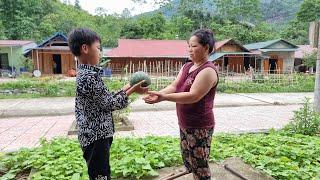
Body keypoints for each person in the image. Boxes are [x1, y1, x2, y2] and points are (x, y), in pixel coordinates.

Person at [68, 28, 147, 180]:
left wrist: (127, 87)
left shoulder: (87, 73)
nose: (100, 53)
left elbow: (104, 98)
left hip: (94, 135)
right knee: (101, 175)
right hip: (96, 137)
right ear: (85, 48)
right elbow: (109, 104)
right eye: (98, 48)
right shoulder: (89, 77)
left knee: (101, 172)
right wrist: (132, 90)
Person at [144, 29, 218, 180]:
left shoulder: (208, 70)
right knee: (189, 161)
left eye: (194, 46)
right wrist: (158, 94)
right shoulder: (187, 67)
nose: (190, 50)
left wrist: (164, 97)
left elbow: (193, 96)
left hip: (200, 126)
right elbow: (175, 85)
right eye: (189, 46)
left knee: (200, 166)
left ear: (206, 48)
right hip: (185, 122)